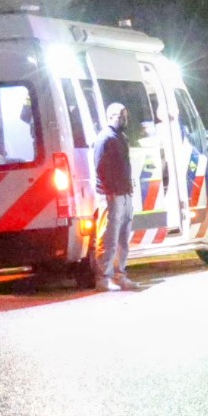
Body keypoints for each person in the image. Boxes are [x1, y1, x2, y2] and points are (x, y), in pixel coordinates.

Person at [92, 102, 141, 291]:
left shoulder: (120, 137)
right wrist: (111, 191)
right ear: (112, 116)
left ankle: (120, 275)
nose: (125, 120)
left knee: (122, 238)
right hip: (112, 195)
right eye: (122, 116)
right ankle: (104, 278)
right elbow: (100, 168)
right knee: (109, 237)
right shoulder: (105, 139)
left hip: (124, 193)